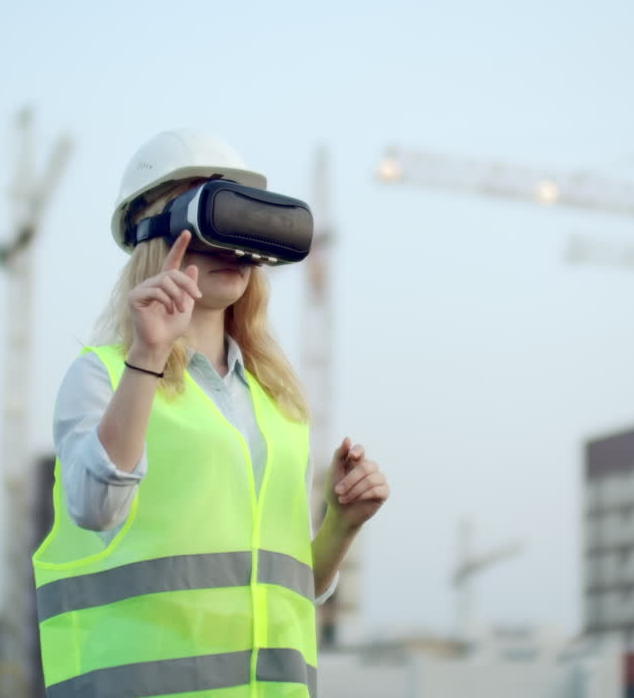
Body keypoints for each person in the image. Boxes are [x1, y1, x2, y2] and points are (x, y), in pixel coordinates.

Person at [32, 129, 390, 697]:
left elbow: (289, 589)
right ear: (158, 231)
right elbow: (96, 508)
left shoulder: (278, 402)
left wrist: (341, 527)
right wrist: (148, 355)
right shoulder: (102, 375)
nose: (235, 246)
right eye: (213, 217)